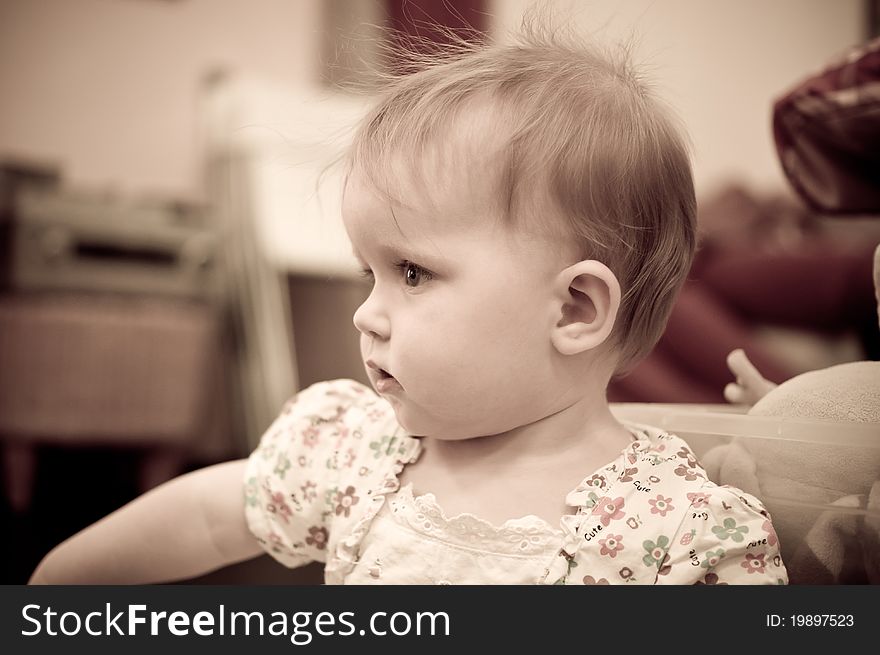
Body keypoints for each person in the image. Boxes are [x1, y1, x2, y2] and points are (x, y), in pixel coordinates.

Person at [29, 22, 787, 585]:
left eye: (413, 273)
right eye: (369, 272)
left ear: (575, 310)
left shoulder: (682, 538)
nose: (367, 313)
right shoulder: (354, 454)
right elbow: (204, 515)